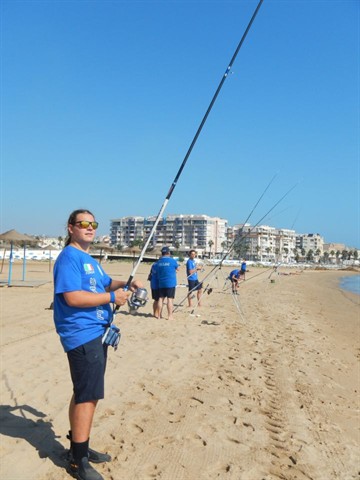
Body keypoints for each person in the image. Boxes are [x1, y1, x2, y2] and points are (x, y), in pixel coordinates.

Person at [53, 209, 143, 480]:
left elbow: (104, 284)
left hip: (96, 333)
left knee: (84, 392)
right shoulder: (69, 257)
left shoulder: (87, 258)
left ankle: (78, 446)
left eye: (93, 224)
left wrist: (128, 283)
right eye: (83, 224)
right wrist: (112, 298)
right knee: (88, 396)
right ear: (71, 228)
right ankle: (78, 461)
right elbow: (72, 297)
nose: (89, 228)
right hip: (82, 334)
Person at [156, 246, 179, 320]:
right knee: (170, 299)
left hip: (161, 282)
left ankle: (159, 315)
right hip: (170, 282)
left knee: (160, 299)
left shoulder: (158, 262)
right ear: (168, 253)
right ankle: (170, 316)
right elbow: (178, 269)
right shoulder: (172, 261)